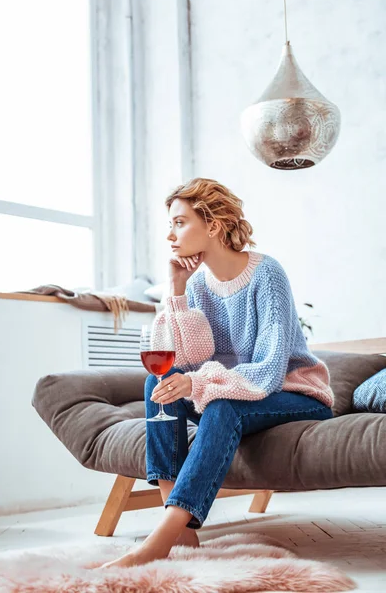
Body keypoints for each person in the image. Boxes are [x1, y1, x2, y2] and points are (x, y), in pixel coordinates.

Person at [101, 177, 334, 569]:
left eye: (179, 223)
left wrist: (195, 382)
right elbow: (186, 358)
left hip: (293, 393)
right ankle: (186, 536)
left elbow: (269, 370)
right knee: (157, 381)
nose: (170, 235)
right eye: (170, 224)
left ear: (212, 225)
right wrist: (177, 288)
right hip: (229, 392)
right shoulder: (196, 283)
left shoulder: (266, 274)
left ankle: (161, 539)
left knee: (224, 405)